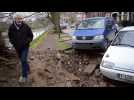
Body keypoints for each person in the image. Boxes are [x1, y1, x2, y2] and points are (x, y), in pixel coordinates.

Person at [8, 13, 33, 83]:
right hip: (17, 47)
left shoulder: (26, 26)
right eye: (18, 18)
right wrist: (12, 42)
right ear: (15, 19)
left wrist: (27, 41)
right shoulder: (11, 27)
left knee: (23, 60)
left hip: (25, 46)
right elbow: (10, 36)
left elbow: (31, 36)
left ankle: (24, 76)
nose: (20, 20)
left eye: (21, 18)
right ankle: (28, 69)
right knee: (23, 60)